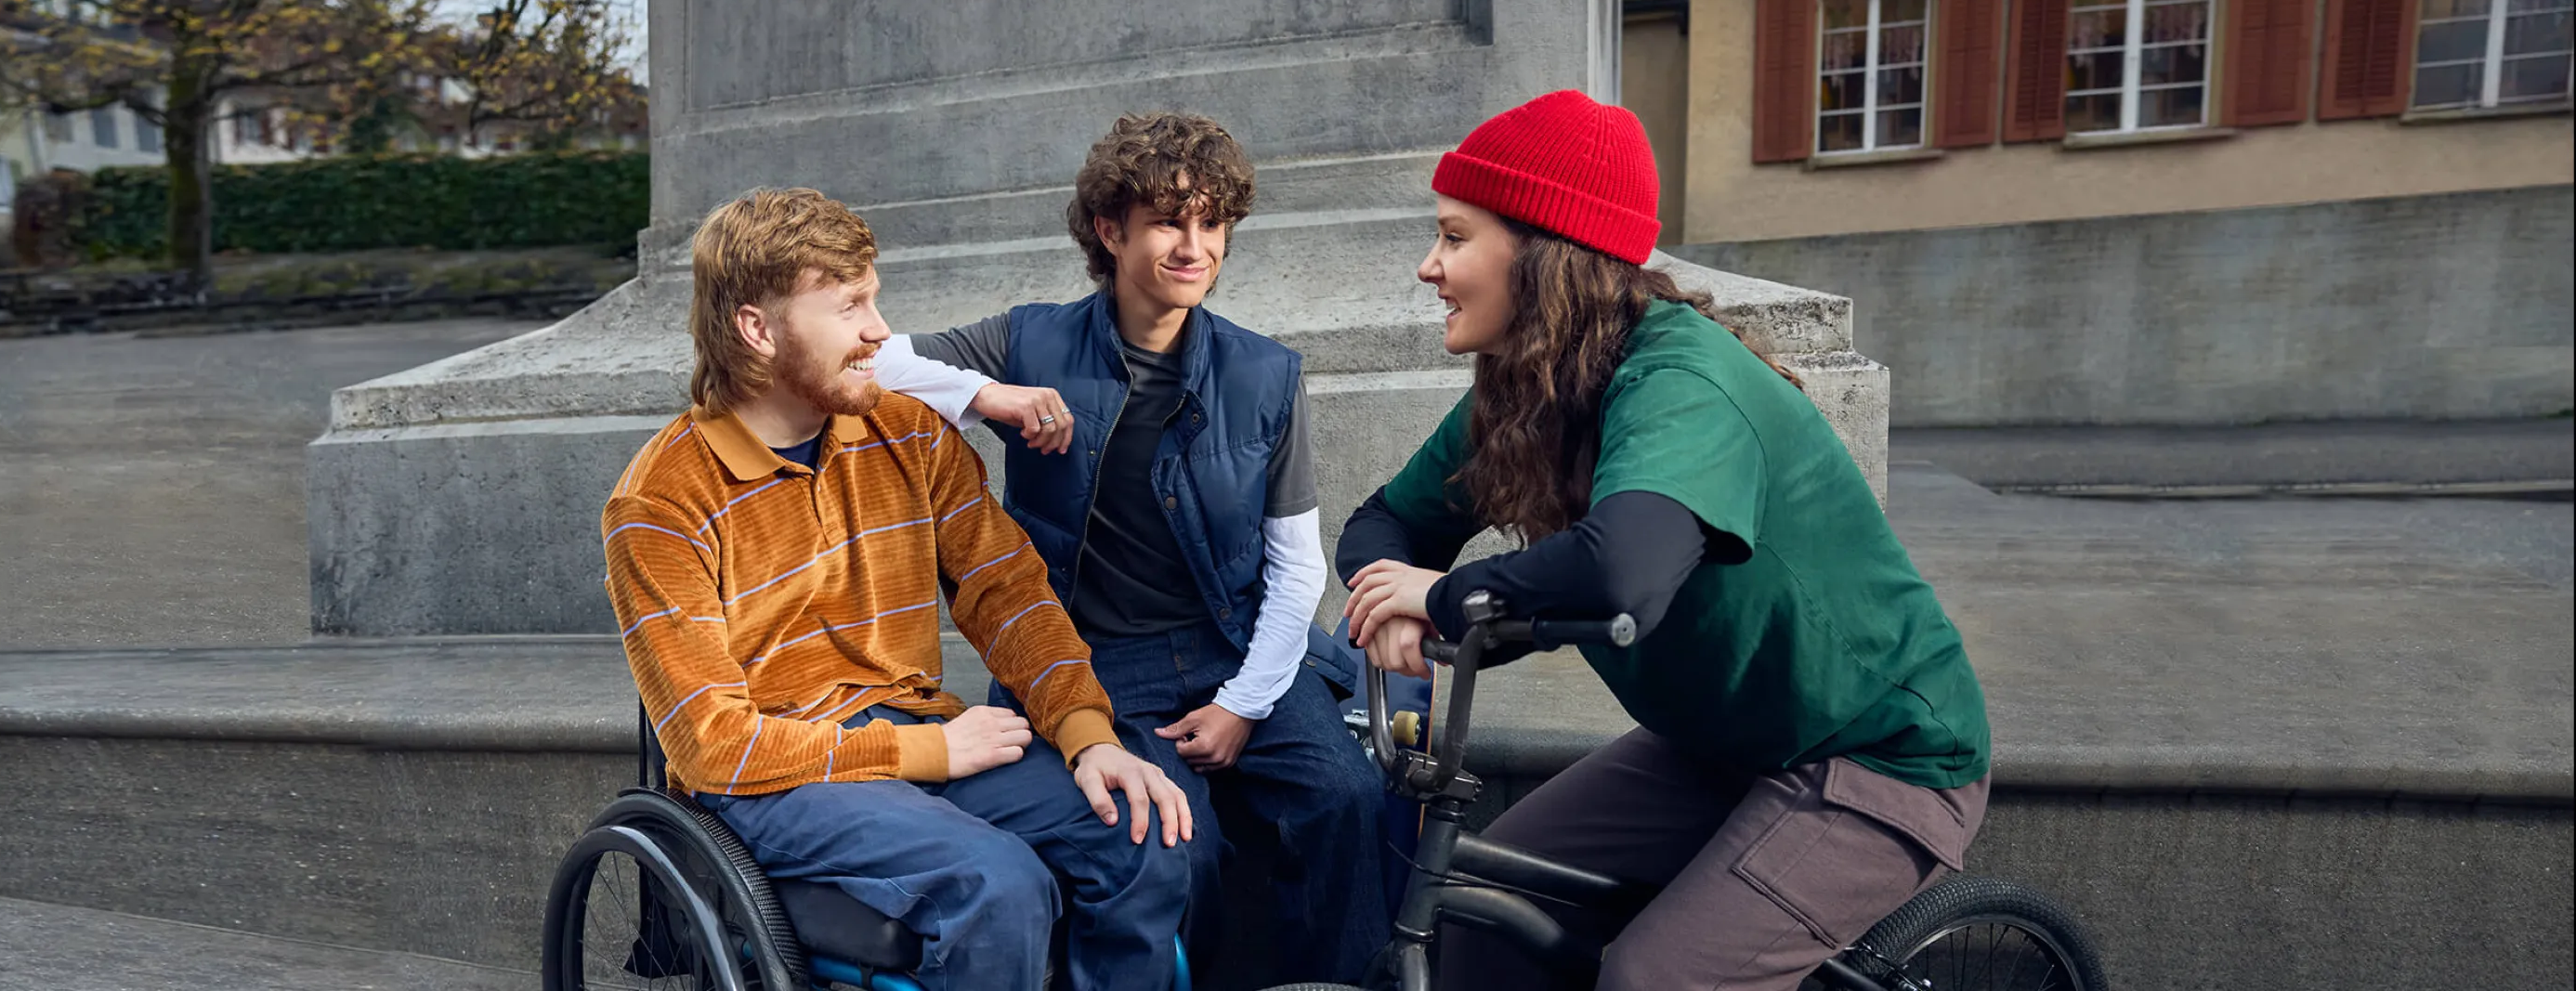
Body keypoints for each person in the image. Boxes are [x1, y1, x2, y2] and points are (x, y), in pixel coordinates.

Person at [1335, 90, 1994, 991]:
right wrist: (1392, 593)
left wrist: (1439, 597)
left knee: (1655, 979)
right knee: (1479, 901)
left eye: (1454, 237)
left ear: (1543, 255)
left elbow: (1624, 568)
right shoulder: (1531, 390)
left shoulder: (1681, 381)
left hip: (1878, 757)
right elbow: (1391, 520)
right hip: (1718, 744)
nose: (1427, 266)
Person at [600, 187, 1194, 991]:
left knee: (1140, 836)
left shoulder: (908, 433)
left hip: (911, 732)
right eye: (849, 307)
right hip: (778, 774)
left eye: (873, 300)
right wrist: (924, 750)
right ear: (756, 329)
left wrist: (1088, 735)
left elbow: (1009, 594)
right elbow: (713, 745)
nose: (880, 331)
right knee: (997, 885)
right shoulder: (662, 498)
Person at [871, 111, 1389, 982]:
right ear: (1111, 231)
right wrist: (989, 395)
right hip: (1093, 662)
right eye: (1168, 221)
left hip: (1238, 647)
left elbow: (1297, 566)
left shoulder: (1267, 374)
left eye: (1212, 222)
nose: (1195, 246)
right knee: (1182, 836)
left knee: (1349, 797)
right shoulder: (1031, 339)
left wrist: (1244, 705)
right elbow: (869, 361)